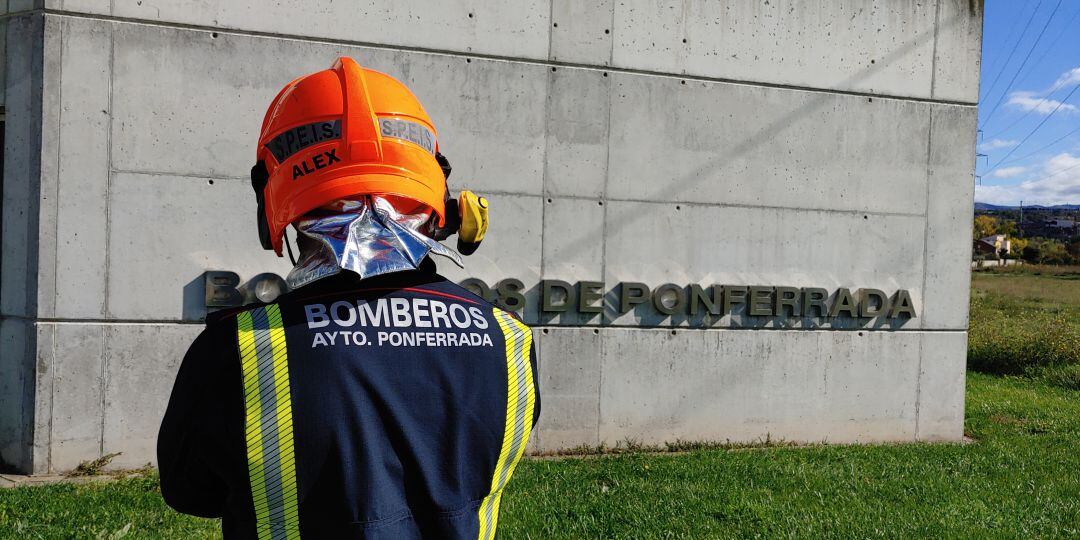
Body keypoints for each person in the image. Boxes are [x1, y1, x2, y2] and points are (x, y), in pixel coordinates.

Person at [158, 57, 539, 539]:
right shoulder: (509, 341)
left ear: (275, 198)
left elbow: (191, 492)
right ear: (438, 193)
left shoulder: (239, 348)